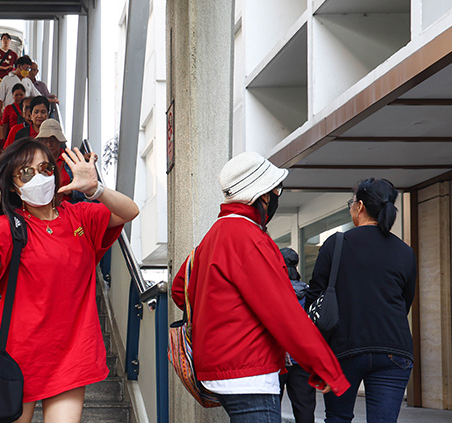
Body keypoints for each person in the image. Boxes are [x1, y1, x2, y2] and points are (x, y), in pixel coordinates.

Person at [0, 139, 139, 423]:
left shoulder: (79, 216)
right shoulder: (11, 226)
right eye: (26, 172)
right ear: (12, 185)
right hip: (20, 356)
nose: (39, 177)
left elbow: (128, 211)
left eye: (45, 168)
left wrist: (96, 189)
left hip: (70, 352)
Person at [171, 152, 350, 422]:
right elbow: (284, 313)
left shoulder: (213, 236)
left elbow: (178, 289)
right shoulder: (250, 238)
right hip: (249, 371)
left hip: (217, 369)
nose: (277, 195)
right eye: (276, 190)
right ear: (263, 196)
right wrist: (325, 366)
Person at [306, 178, 416, 423]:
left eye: (351, 202)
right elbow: (405, 302)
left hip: (344, 348)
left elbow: (314, 299)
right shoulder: (405, 252)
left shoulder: (336, 244)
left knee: (337, 417)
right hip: (393, 348)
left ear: (360, 206)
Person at [279, 247, 316, 423]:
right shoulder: (309, 292)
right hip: (302, 359)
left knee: (271, 410)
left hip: (277, 359)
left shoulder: (274, 291)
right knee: (305, 411)